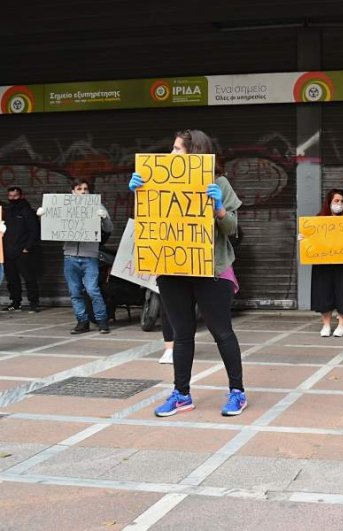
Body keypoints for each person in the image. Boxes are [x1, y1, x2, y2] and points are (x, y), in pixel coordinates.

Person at [129, 129, 247, 417]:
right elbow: (145, 221)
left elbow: (233, 229)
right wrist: (138, 193)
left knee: (222, 332)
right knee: (182, 335)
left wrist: (219, 208)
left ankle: (237, 392)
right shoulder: (155, 180)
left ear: (195, 153)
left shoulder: (218, 182)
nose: (171, 155)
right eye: (172, 149)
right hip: (172, 268)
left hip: (211, 270)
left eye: (178, 150)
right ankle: (181, 394)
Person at [36, 179, 113, 333]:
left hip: (90, 256)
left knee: (92, 290)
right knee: (75, 292)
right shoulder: (64, 206)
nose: (83, 191)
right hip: (70, 256)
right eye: (79, 189)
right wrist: (42, 216)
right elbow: (51, 226)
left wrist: (104, 217)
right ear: (72, 191)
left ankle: (102, 321)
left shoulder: (97, 206)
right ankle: (82, 322)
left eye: (85, 188)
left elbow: (109, 228)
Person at [300, 189, 343, 337]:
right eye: (336, 201)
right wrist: (304, 238)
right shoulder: (318, 220)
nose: (339, 204)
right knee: (324, 292)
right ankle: (326, 325)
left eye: (341, 201)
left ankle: (342, 325)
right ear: (329, 202)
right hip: (323, 264)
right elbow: (311, 239)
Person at [3, 187, 41, 313]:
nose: (12, 198)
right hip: (8, 251)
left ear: (21, 196)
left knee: (29, 278)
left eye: (15, 196)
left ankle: (34, 303)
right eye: (10, 196)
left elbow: (34, 231)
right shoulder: (7, 211)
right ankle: (15, 302)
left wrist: (27, 248)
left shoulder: (27, 211)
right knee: (12, 279)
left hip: (22, 251)